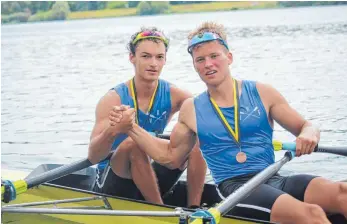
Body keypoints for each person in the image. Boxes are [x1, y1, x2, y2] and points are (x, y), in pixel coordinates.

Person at [113, 22, 347, 223]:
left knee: (342, 192)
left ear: (229, 57)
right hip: (237, 189)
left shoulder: (263, 92)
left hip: (274, 178)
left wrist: (309, 135)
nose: (208, 64)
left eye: (214, 56)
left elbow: (306, 126)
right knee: (311, 214)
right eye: (200, 59)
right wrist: (131, 128)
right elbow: (171, 157)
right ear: (195, 65)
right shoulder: (191, 109)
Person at [87, 27, 207, 207]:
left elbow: (209, 121)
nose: (153, 63)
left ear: (165, 59)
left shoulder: (176, 95)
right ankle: (159, 212)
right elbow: (93, 156)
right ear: (132, 58)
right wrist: (113, 131)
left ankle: (194, 209)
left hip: (148, 173)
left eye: (159, 57)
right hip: (113, 183)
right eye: (145, 56)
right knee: (133, 144)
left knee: (198, 135)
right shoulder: (113, 99)